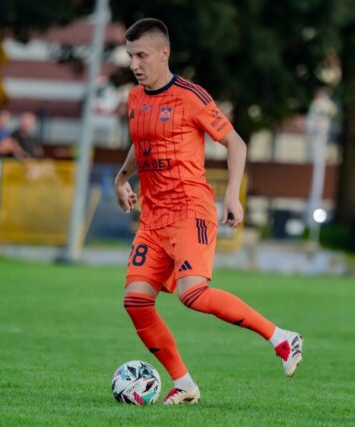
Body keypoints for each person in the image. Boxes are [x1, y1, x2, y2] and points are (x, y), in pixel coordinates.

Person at [113, 18, 303, 406]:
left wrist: (232, 195)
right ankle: (184, 383)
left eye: (141, 55)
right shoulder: (135, 98)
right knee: (135, 301)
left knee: (193, 294)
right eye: (130, 56)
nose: (134, 64)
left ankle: (282, 338)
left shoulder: (190, 96)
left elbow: (236, 144)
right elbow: (141, 141)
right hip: (153, 218)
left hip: (190, 210)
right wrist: (121, 179)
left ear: (163, 53)